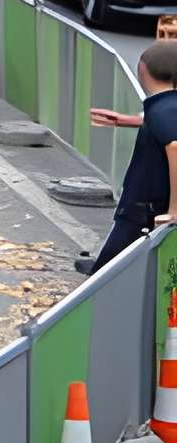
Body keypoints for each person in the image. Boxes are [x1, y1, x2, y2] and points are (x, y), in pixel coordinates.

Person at [81, 37, 177, 271]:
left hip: (145, 205)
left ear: (143, 70)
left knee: (114, 265)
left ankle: (98, 284)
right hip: (150, 203)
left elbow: (175, 145)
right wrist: (132, 121)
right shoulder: (167, 105)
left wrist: (174, 210)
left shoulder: (161, 110)